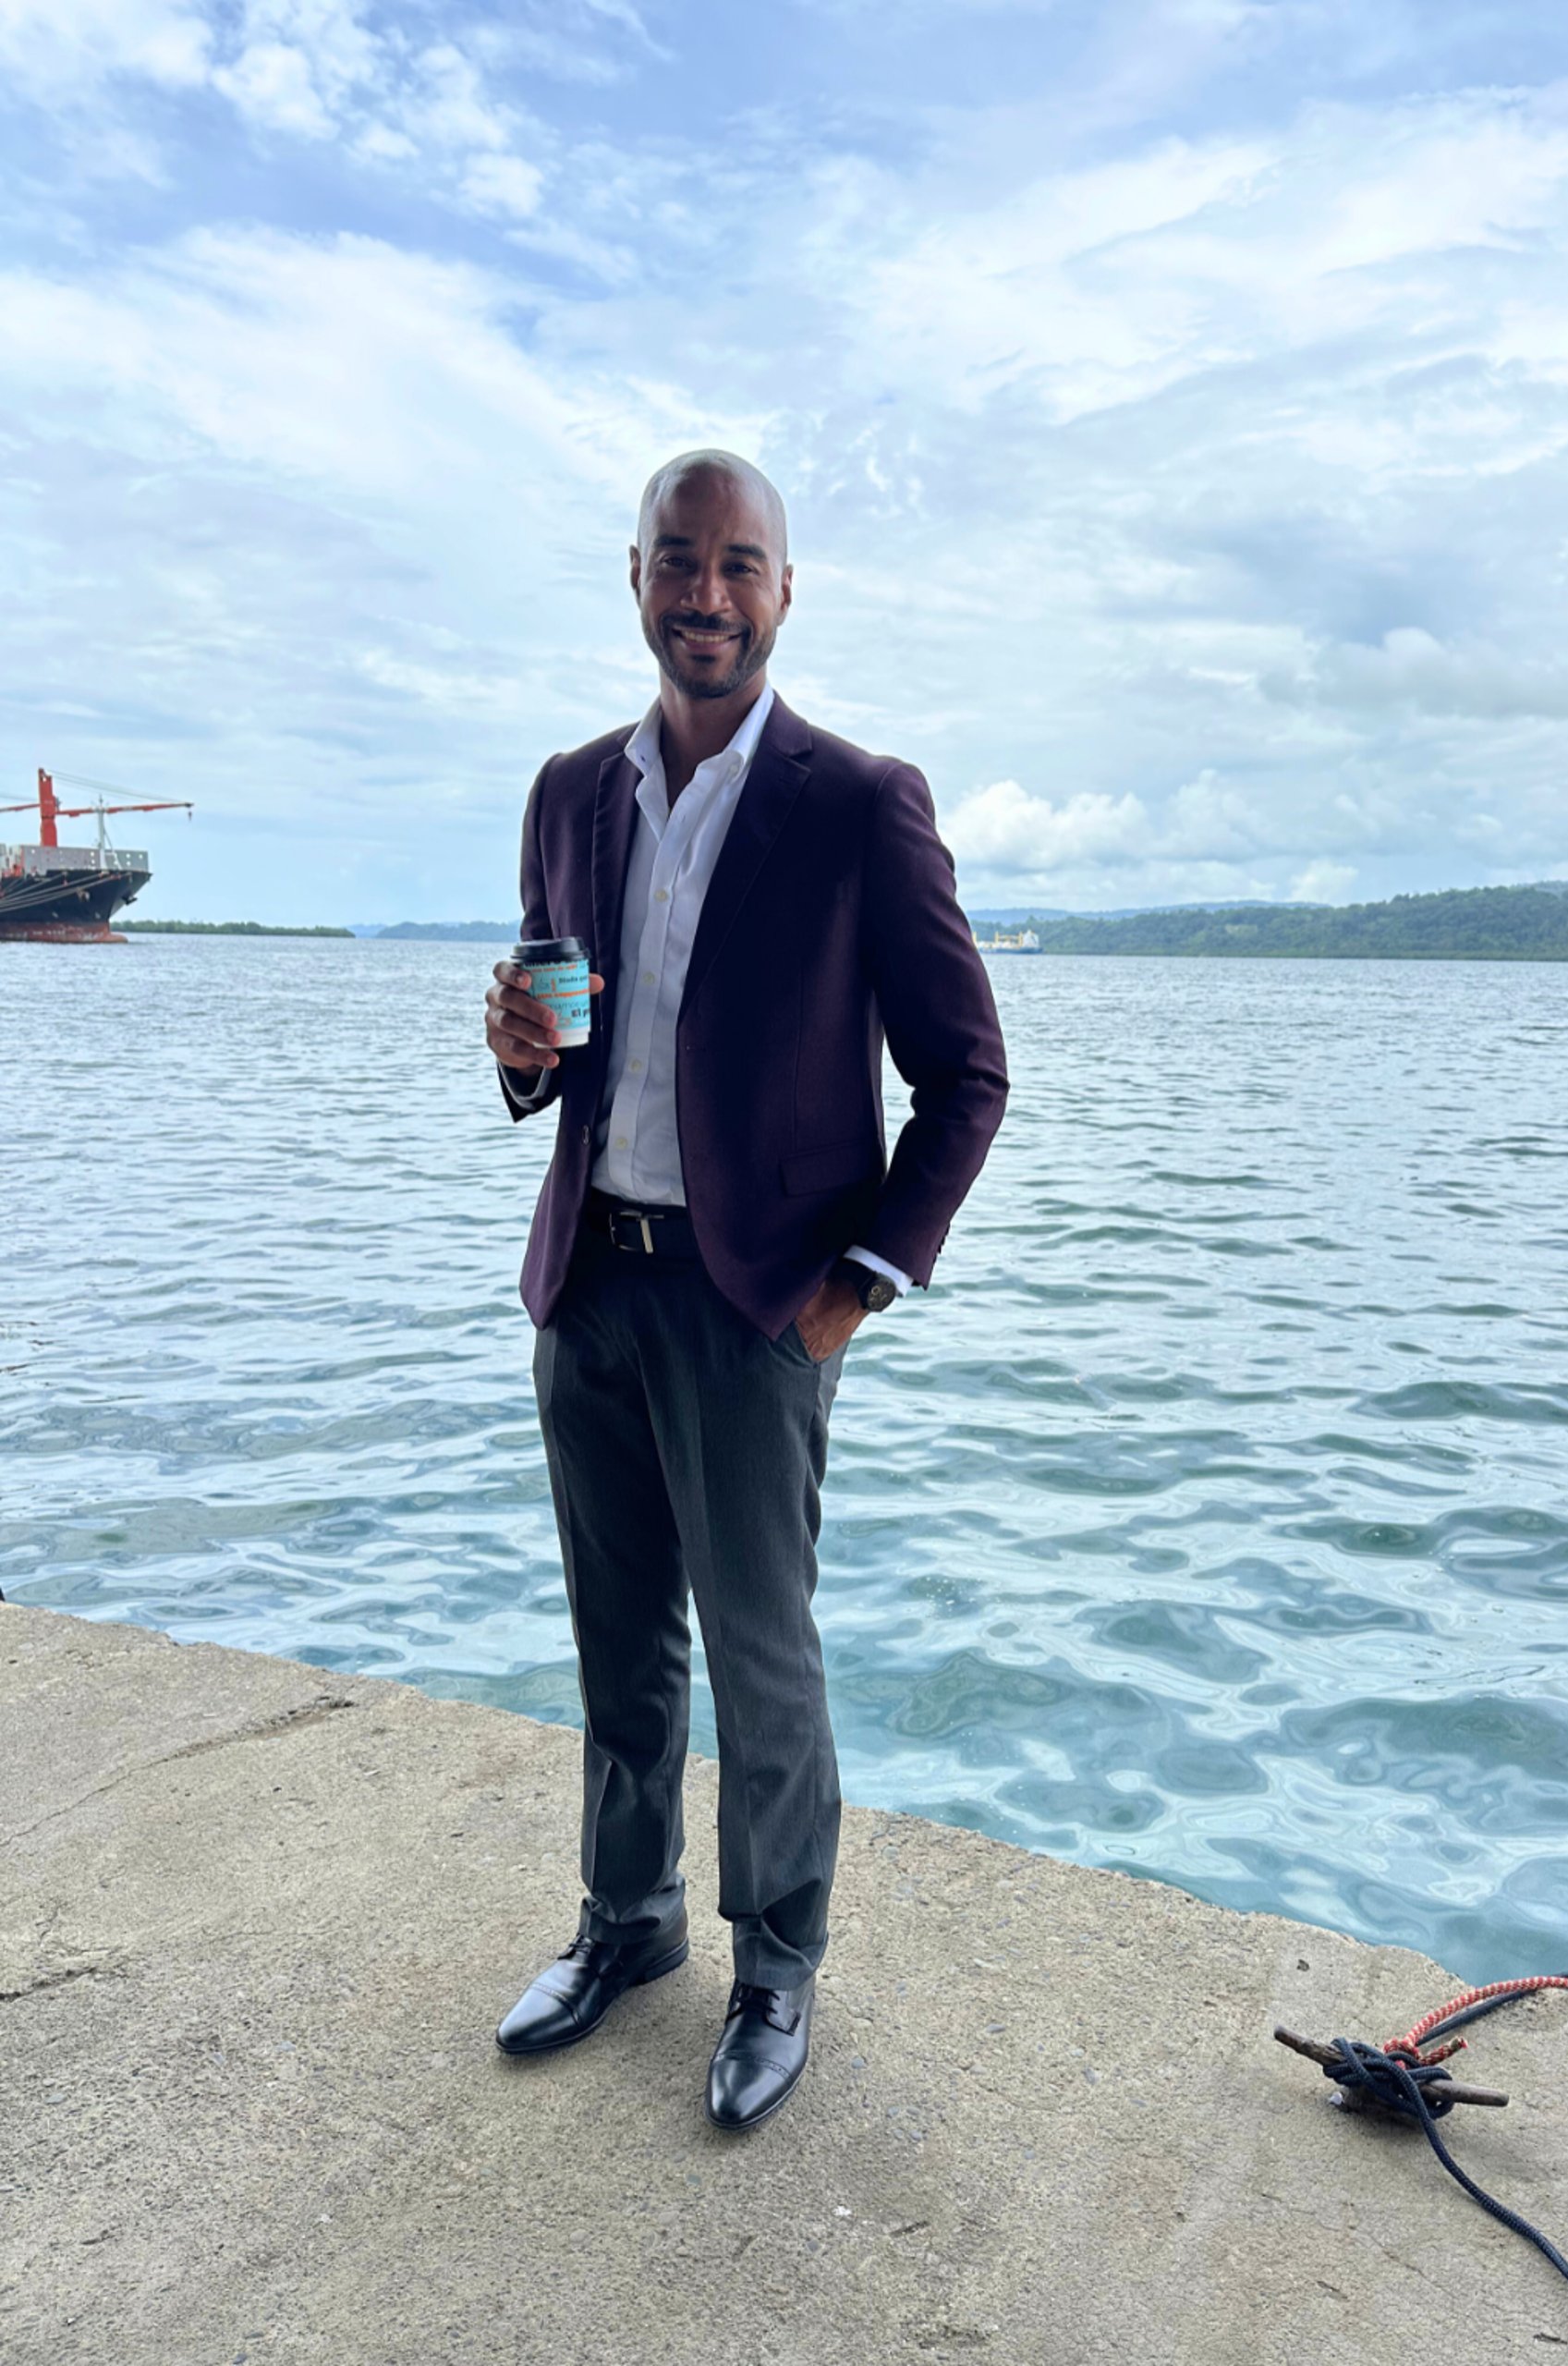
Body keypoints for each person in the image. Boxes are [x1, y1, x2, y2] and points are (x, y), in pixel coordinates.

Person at [482, 450, 1008, 2131]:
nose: (706, 594)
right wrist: (518, 1058)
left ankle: (776, 1960)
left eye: (741, 565)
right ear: (632, 574)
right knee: (618, 1643)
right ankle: (625, 1925)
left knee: (762, 1656)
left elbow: (968, 1078)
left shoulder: (859, 802)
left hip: (754, 1304)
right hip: (593, 1282)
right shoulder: (570, 791)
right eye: (678, 561)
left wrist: (853, 1288)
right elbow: (564, 1048)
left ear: (786, 591)